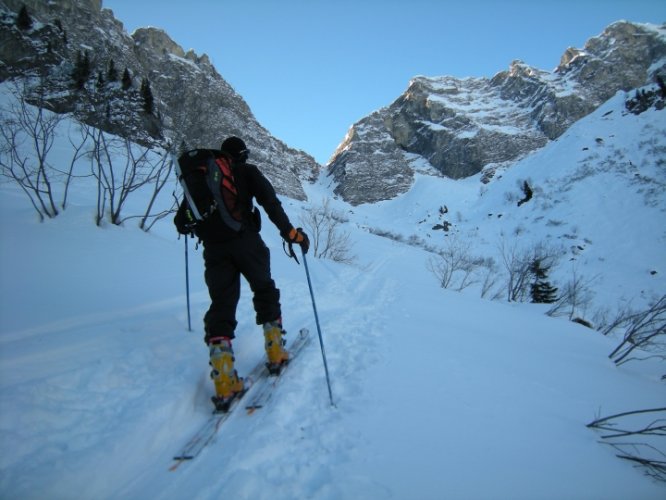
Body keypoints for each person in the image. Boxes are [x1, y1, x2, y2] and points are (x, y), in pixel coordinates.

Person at [174, 136, 309, 406]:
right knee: (264, 289)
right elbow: (271, 204)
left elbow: (181, 222)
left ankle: (224, 382)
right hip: (247, 242)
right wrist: (291, 233)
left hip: (214, 249)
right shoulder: (247, 171)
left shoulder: (203, 181)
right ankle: (276, 352)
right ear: (243, 155)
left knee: (222, 304)